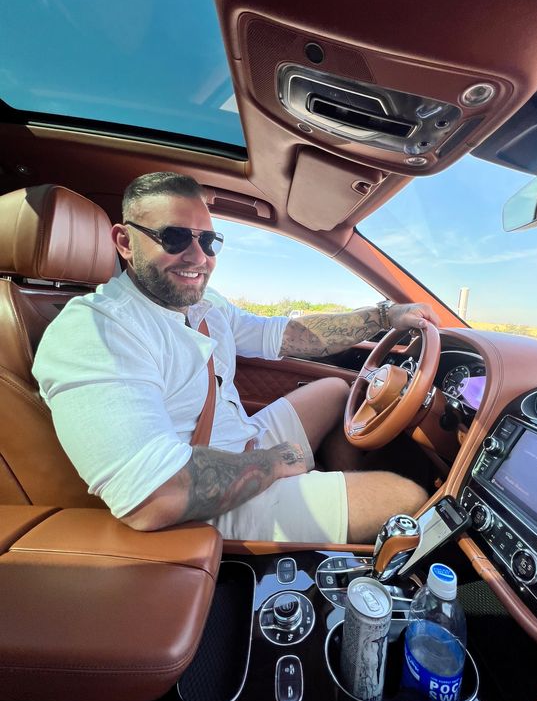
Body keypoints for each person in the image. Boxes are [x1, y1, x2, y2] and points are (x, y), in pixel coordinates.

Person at [33, 172, 441, 543]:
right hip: (198, 500)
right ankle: (337, 518)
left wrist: (385, 315)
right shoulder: (95, 332)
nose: (198, 257)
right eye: (174, 238)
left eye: (208, 241)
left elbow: (288, 335)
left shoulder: (203, 304)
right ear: (125, 241)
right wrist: (278, 462)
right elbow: (156, 496)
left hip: (241, 445)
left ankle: (332, 521)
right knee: (405, 498)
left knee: (336, 390)